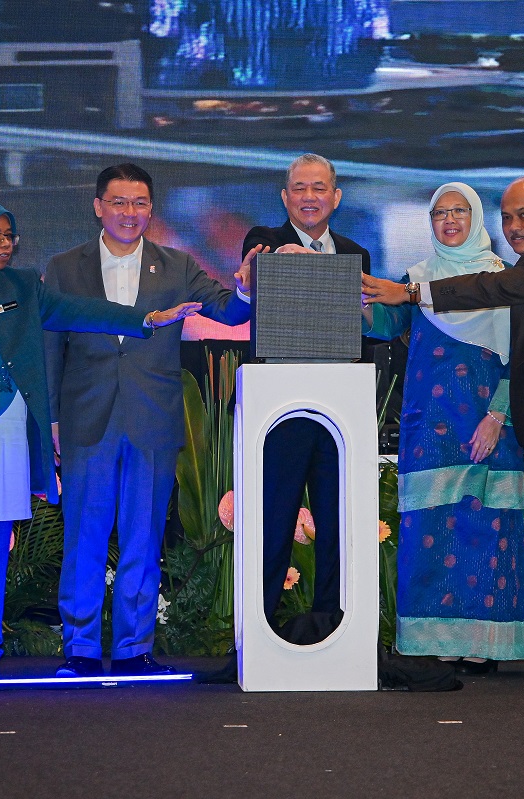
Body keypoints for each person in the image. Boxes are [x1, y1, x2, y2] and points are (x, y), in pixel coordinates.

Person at [0, 198, 197, 682]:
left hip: (1, 429)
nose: (7, 244)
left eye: (11, 236)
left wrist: (146, 320)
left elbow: (81, 310)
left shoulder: (24, 287)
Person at [362, 176, 524, 681]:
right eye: (508, 217)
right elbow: (387, 323)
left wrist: (412, 291)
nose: (515, 226)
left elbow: (491, 288)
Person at [45, 163, 254, 678]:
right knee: (84, 539)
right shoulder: (63, 267)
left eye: (139, 203)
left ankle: (135, 648)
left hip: (152, 419)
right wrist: (49, 416)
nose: (129, 213)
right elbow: (48, 346)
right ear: (98, 207)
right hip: (84, 419)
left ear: (151, 209)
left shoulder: (178, 265)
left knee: (142, 538)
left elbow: (229, 313)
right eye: (118, 202)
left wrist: (247, 287)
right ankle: (80, 649)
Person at [362, 182, 524, 669]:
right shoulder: (417, 277)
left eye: (459, 211)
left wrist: (498, 414)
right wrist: (339, 293)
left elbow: (522, 356)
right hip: (431, 426)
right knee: (431, 529)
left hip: (488, 423)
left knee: (486, 527)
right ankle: (430, 644)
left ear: (475, 216)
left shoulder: (504, 278)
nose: (449, 220)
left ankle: (485, 646)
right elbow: (380, 324)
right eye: (439, 212)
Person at [242, 152, 371, 630]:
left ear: (335, 197)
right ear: (285, 196)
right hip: (281, 410)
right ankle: (261, 628)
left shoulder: (357, 254)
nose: (309, 197)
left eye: (319, 188)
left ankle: (333, 627)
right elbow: (255, 263)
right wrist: (282, 259)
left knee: (338, 526)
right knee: (273, 523)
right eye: (300, 187)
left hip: (341, 411)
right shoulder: (265, 240)